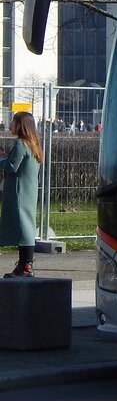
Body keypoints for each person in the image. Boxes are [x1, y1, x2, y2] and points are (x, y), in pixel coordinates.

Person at [1, 112, 43, 277]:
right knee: (26, 225)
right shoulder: (33, 144)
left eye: (14, 122)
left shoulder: (20, 144)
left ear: (21, 125)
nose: (11, 125)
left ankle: (26, 266)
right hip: (28, 190)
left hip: (19, 191)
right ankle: (24, 264)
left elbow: (12, 166)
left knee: (23, 226)